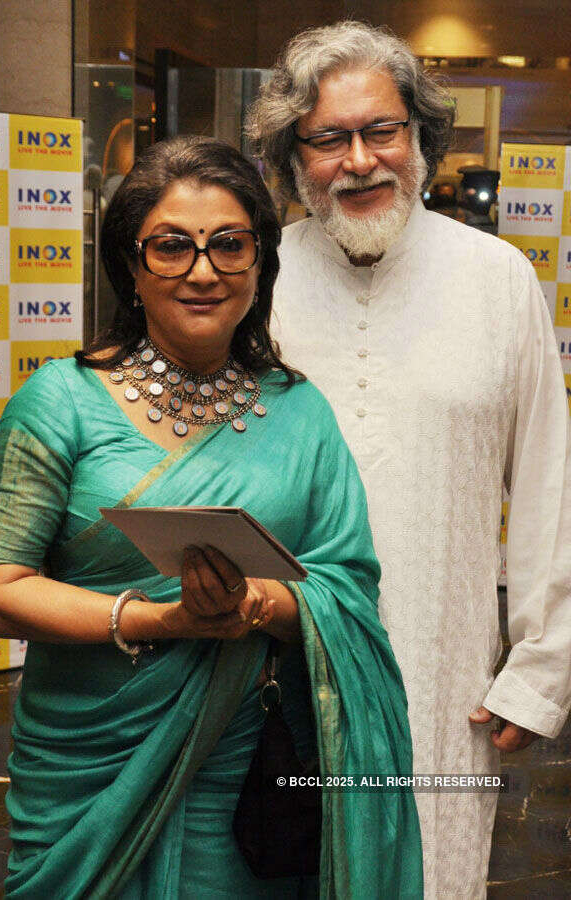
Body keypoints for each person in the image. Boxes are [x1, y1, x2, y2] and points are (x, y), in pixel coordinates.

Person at [0, 135, 422, 898]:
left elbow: (346, 585)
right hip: (89, 777)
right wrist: (161, 620)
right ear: (132, 266)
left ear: (258, 264)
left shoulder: (300, 411)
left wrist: (255, 603)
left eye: (230, 245)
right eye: (172, 247)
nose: (204, 270)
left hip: (240, 772)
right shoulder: (60, 403)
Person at [247, 20, 571, 900]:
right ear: (291, 154)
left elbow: (549, 480)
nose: (359, 161)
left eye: (381, 131)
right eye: (328, 139)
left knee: (429, 874)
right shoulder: (255, 278)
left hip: (442, 671)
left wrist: (542, 668)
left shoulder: (498, 278)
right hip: (268, 672)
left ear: (421, 137)